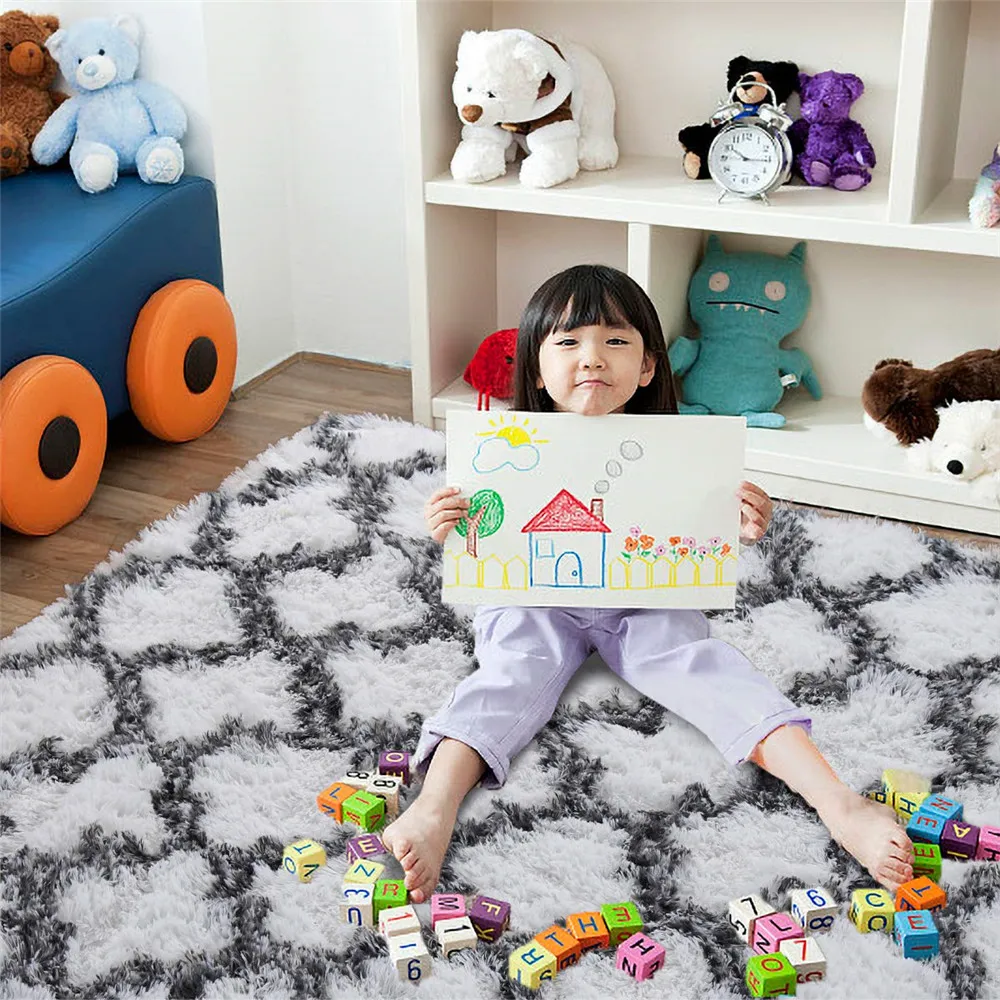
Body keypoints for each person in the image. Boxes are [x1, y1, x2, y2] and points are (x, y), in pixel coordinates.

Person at [382, 264, 913, 903]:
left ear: (648, 367)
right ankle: (435, 807)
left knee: (709, 670)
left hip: (647, 599)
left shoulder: (682, 449)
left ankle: (839, 802)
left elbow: (699, 529)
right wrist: (447, 521)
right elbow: (481, 528)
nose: (591, 358)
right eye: (568, 342)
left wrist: (743, 520)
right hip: (533, 595)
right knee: (509, 672)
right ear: (535, 366)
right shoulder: (500, 449)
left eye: (615, 340)